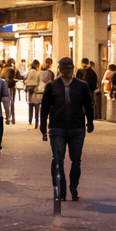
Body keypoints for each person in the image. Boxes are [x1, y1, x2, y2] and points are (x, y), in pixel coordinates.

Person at [41, 57, 95, 200]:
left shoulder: (81, 85)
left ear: (73, 68)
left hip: (77, 128)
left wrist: (90, 121)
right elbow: (45, 107)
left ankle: (73, 186)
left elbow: (88, 105)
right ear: (59, 69)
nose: (66, 71)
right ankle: (60, 189)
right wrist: (42, 125)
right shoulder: (52, 86)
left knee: (76, 160)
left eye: (69, 68)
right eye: (63, 68)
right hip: (56, 127)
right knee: (57, 159)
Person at [25, 59, 45, 128]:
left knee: (30, 105)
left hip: (29, 89)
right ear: (37, 65)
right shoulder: (38, 73)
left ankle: (30, 119)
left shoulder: (29, 72)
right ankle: (36, 120)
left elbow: (26, 79)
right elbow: (40, 81)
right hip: (36, 90)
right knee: (37, 106)